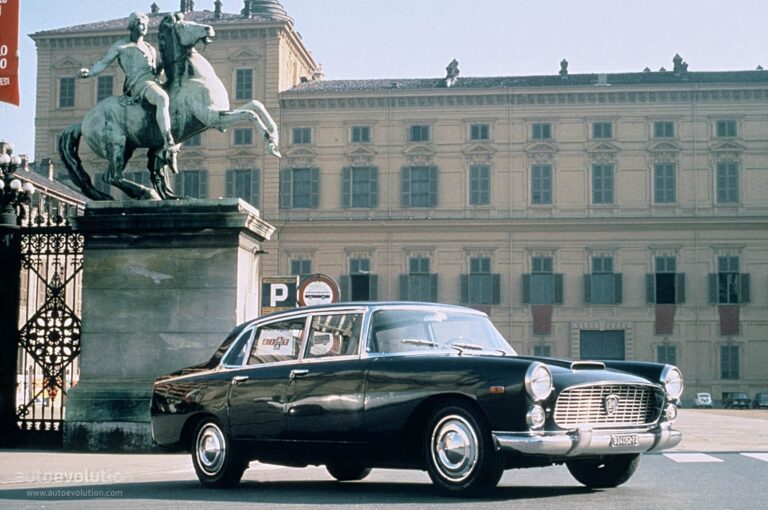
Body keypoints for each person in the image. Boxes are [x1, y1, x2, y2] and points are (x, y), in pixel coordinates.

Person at [80, 11, 177, 152]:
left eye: (145, 24)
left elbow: (155, 71)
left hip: (153, 82)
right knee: (162, 98)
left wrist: (162, 67)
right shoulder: (121, 46)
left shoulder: (150, 48)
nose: (144, 27)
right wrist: (89, 72)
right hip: (138, 84)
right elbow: (103, 62)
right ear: (132, 26)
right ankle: (168, 140)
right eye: (140, 24)